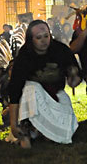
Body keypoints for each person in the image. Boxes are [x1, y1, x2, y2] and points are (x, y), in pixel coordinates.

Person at [8, 20, 81, 148]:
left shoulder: (61, 50)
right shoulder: (24, 56)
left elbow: (75, 76)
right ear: (31, 40)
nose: (43, 41)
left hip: (56, 94)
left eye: (46, 36)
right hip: (32, 99)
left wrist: (74, 78)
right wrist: (13, 125)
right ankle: (26, 129)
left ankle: (46, 132)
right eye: (39, 38)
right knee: (32, 88)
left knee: (65, 132)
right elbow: (15, 90)